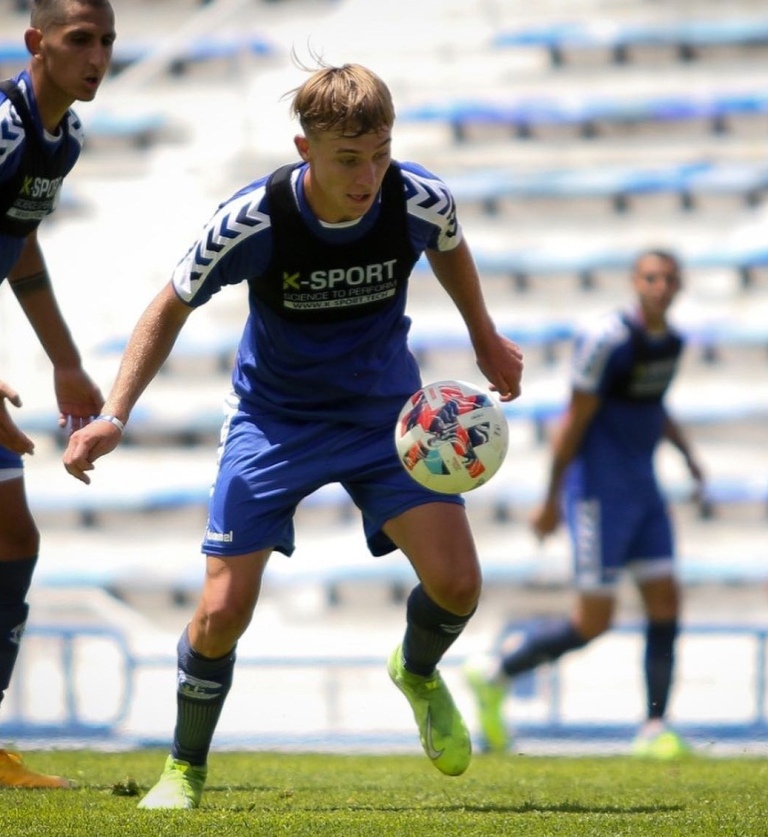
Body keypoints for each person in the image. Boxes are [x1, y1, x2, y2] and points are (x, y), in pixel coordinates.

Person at [63, 61, 523, 809]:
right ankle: (184, 768)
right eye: (348, 158)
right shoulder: (256, 218)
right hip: (274, 421)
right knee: (220, 613)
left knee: (459, 585)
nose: (368, 174)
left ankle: (416, 669)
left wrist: (486, 336)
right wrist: (115, 413)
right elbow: (168, 306)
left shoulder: (418, 197)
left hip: (384, 418)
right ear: (304, 148)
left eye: (380, 153)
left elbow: (450, 244)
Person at [466, 248, 703, 758]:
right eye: (651, 277)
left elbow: (653, 405)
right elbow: (572, 421)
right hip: (598, 492)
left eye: (669, 278)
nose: (660, 286)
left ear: (680, 285)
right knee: (594, 620)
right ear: (635, 282)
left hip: (643, 488)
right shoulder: (607, 341)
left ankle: (654, 726)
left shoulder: (673, 344)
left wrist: (689, 457)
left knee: (666, 601)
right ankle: (496, 674)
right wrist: (551, 499)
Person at [0, 0, 115, 789]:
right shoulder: (4, 127)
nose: (98, 55)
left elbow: (17, 240)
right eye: (81, 40)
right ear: (36, 42)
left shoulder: (59, 138)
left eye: (107, 41)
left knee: (13, 539)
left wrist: (65, 361)